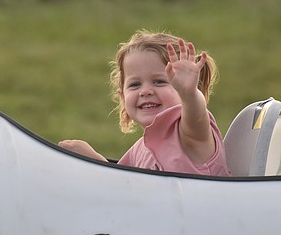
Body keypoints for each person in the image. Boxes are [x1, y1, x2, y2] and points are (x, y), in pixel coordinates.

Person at [59, 30, 231, 176]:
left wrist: (189, 93)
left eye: (159, 82)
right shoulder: (138, 151)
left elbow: (197, 114)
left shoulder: (190, 133)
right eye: (135, 84)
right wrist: (91, 160)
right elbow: (123, 188)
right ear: (122, 96)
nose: (145, 91)